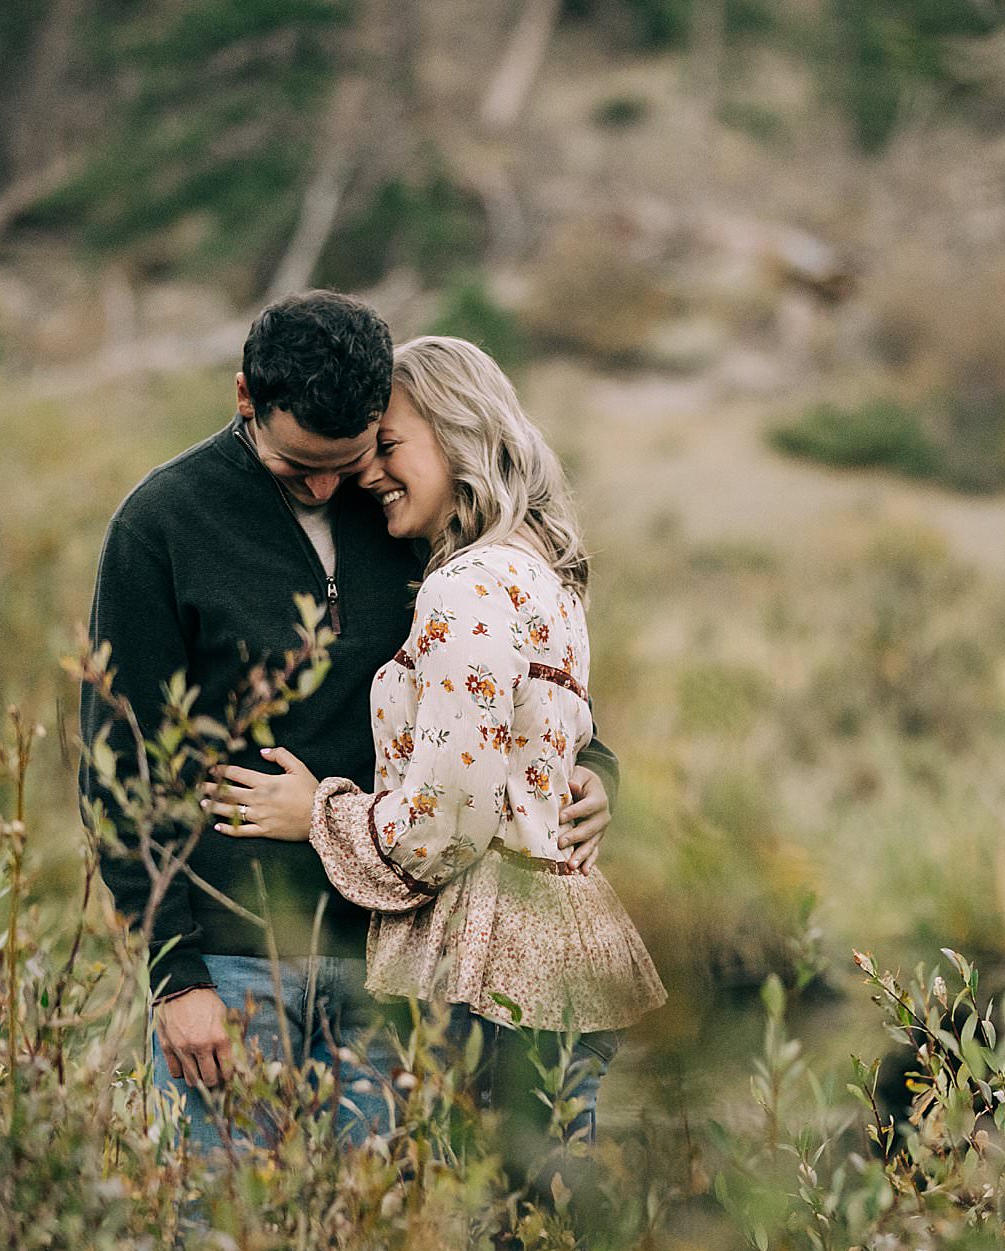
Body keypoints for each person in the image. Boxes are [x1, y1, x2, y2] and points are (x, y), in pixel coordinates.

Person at [79, 293, 618, 1150]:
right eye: (300, 467)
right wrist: (174, 976)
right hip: (234, 965)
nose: (335, 486)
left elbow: (527, 679)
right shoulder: (163, 523)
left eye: (356, 455)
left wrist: (597, 775)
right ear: (246, 398)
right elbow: (120, 767)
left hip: (397, 965)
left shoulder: (411, 503)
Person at [197, 335, 666, 1153]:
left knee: (460, 1236)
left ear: (458, 433)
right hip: (557, 944)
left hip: (486, 959)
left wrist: (320, 810)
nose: (367, 471)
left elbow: (447, 823)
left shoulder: (463, 588)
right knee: (544, 1222)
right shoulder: (540, 577)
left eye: (388, 445)